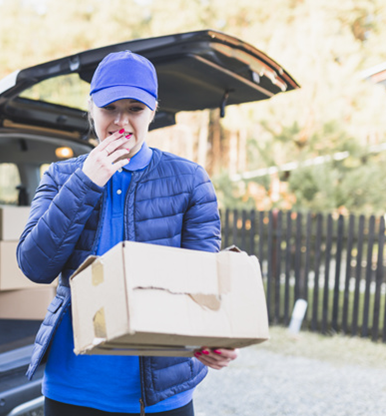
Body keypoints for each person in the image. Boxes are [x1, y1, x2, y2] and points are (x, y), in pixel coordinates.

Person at [17, 50, 238, 416]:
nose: (121, 122)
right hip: (73, 388)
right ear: (91, 109)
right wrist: (87, 181)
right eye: (109, 108)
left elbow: (202, 282)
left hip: (162, 393)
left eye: (135, 109)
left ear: (152, 111)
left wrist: (212, 338)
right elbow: (34, 265)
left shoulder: (189, 180)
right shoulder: (59, 177)